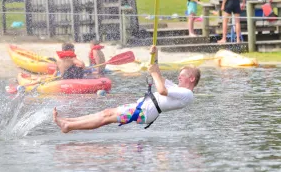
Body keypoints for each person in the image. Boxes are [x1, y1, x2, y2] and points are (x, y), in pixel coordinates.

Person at [53, 46, 200, 133]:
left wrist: (154, 72)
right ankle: (69, 121)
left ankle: (68, 126)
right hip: (143, 107)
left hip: (144, 112)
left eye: (182, 76)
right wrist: (154, 56)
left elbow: (161, 90)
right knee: (106, 113)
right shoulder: (178, 89)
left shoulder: (187, 94)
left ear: (191, 79)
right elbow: (159, 77)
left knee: (107, 118)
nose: (179, 78)